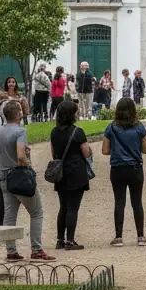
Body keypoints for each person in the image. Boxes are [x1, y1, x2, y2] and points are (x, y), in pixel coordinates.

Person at [0, 98, 56, 262]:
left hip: (3, 174)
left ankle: (11, 250)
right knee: (36, 212)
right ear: (18, 114)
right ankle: (36, 249)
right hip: (18, 174)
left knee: (9, 214)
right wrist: (28, 165)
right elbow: (21, 156)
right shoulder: (20, 131)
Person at [102, 98, 146, 246]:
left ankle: (118, 237)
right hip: (135, 168)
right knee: (137, 202)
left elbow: (105, 150)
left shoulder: (111, 128)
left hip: (117, 168)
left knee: (119, 202)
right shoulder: (139, 127)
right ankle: (140, 236)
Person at [50, 99, 91, 250]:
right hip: (76, 172)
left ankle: (60, 239)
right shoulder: (78, 132)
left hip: (61, 173)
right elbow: (86, 153)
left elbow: (54, 154)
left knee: (63, 207)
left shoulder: (54, 132)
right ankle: (70, 240)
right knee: (73, 207)